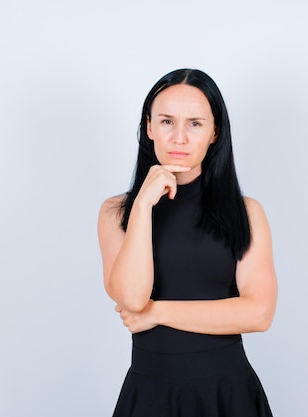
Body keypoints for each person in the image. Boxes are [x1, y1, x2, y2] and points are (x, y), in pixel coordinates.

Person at [97, 68, 277, 417]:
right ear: (149, 127)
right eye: (167, 122)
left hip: (226, 394)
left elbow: (259, 313)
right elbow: (132, 296)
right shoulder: (116, 212)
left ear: (214, 132)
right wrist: (144, 204)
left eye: (195, 124)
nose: (179, 138)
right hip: (150, 394)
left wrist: (157, 312)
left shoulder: (246, 212)